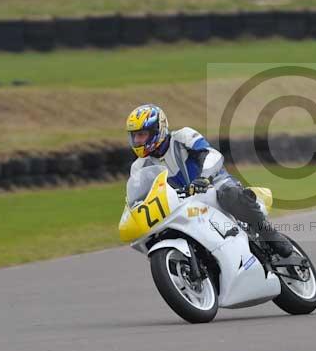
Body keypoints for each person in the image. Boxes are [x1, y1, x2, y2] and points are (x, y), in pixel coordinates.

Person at [125, 104, 293, 257]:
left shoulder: (182, 137)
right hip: (180, 203)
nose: (138, 141)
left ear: (158, 129)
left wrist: (204, 178)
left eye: (142, 135)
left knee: (229, 194)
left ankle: (271, 235)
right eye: (135, 136)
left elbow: (212, 154)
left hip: (212, 185)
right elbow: (139, 197)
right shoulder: (139, 167)